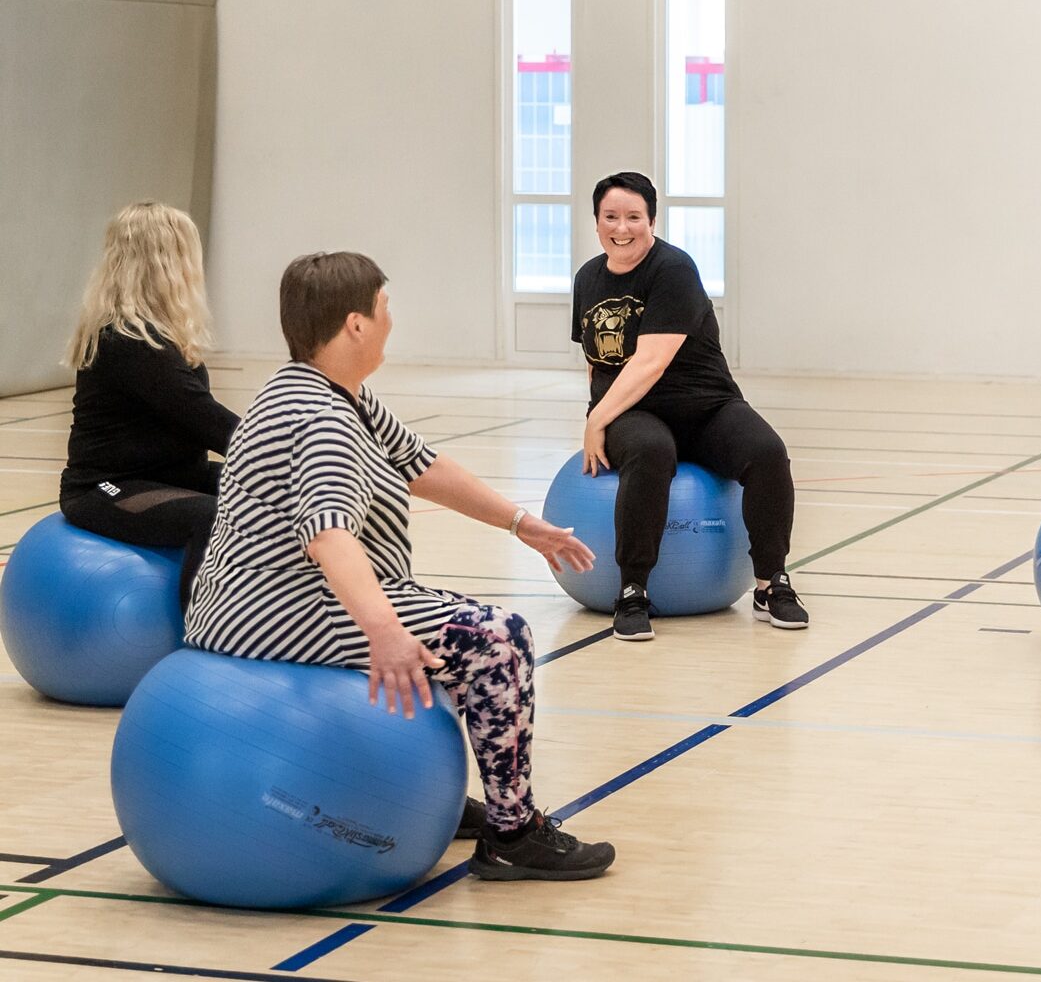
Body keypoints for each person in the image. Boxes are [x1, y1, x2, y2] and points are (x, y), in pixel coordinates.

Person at [187, 251, 614, 881]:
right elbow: (330, 537)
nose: (392, 318)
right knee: (499, 640)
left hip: (265, 599)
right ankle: (513, 832)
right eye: (385, 306)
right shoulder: (323, 419)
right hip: (275, 610)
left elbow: (424, 466)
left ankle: (446, 796)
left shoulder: (326, 392)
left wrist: (523, 525)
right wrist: (385, 632)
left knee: (452, 616)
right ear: (357, 323)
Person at [572, 171, 809, 640]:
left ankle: (771, 583)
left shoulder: (673, 269)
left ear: (652, 221)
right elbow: (597, 360)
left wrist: (594, 420)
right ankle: (633, 589)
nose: (622, 228)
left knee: (766, 452)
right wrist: (599, 409)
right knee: (651, 453)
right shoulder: (587, 278)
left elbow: (650, 362)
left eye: (634, 217)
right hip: (634, 413)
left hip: (706, 405)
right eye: (611, 217)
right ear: (596, 223)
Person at [60, 202, 240, 606]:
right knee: (210, 516)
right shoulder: (127, 340)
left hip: (170, 476)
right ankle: (202, 631)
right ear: (167, 263)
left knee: (260, 491)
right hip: (106, 488)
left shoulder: (159, 335)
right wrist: (293, 447)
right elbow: (205, 420)